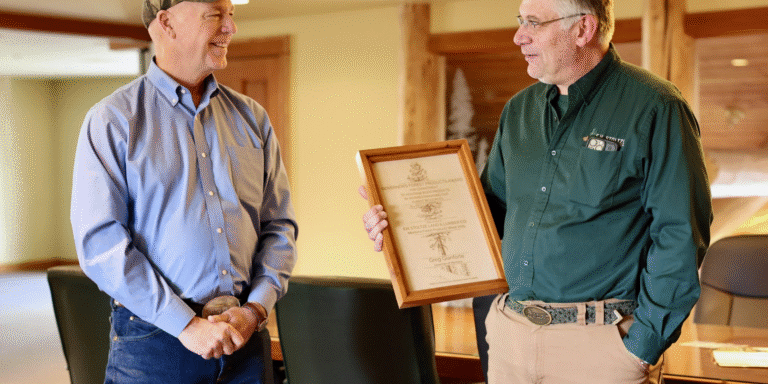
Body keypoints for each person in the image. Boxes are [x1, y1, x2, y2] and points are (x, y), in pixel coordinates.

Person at [361, 0, 712, 382]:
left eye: (533, 23)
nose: (519, 36)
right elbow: (488, 215)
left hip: (602, 348)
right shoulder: (519, 111)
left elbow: (680, 234)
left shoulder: (656, 106)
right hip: (510, 339)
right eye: (520, 21)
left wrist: (642, 345)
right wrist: (401, 225)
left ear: (583, 29)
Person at [70, 0, 297, 382]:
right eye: (215, 14)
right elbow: (101, 244)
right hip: (154, 344)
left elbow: (279, 226)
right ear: (167, 22)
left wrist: (255, 309)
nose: (230, 28)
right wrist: (186, 324)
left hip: (246, 341)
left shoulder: (253, 118)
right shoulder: (112, 121)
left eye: (231, 14)